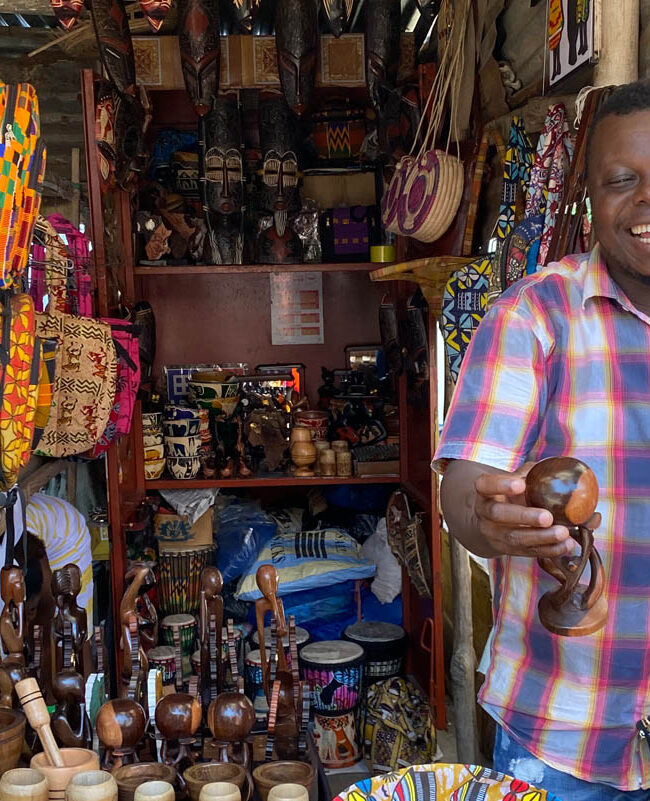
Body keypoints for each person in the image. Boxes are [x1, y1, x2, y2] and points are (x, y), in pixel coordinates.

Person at [433, 80, 650, 799]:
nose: (646, 201)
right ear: (587, 196)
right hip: (562, 734)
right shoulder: (533, 317)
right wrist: (490, 519)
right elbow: (463, 487)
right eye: (623, 181)